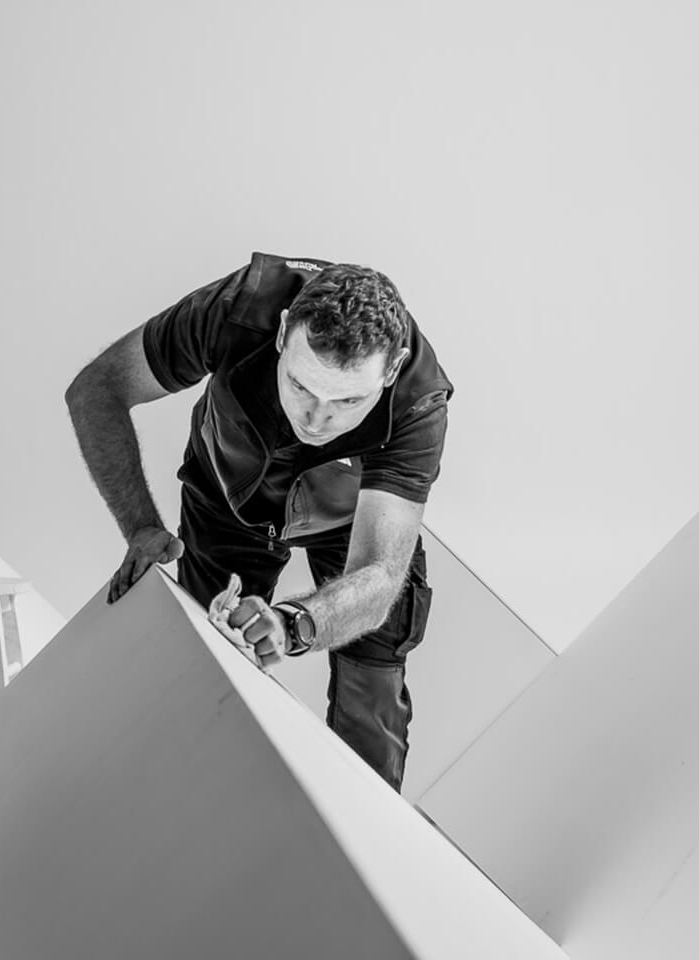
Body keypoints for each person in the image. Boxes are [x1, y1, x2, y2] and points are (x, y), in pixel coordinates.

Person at [64, 251, 453, 792]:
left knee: (374, 690)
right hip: (227, 496)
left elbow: (381, 574)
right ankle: (201, 825)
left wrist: (295, 624)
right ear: (283, 332)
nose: (317, 419)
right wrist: (141, 527)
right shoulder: (237, 308)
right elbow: (97, 390)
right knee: (201, 675)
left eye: (348, 401)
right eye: (301, 386)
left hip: (349, 521)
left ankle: (358, 855)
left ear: (391, 370)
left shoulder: (418, 400)